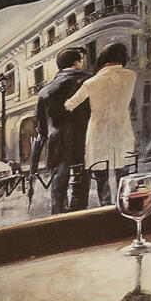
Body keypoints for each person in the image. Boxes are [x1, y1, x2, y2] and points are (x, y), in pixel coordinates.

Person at [75, 42, 140, 206]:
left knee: (101, 176)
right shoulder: (131, 75)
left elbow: (70, 104)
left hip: (98, 132)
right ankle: (124, 205)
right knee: (123, 174)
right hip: (121, 130)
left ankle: (106, 207)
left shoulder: (90, 83)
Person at [41, 49, 94, 212]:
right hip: (83, 140)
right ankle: (79, 219)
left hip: (57, 143)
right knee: (80, 184)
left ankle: (58, 219)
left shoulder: (45, 91)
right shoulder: (89, 81)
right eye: (81, 60)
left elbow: (42, 127)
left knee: (58, 185)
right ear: (77, 62)